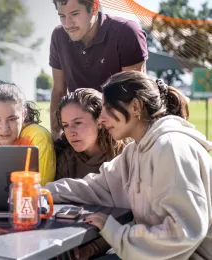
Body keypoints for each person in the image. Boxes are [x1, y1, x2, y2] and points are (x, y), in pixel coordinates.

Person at [45, 71, 212, 260]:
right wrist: (42, 193)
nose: (101, 118)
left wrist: (115, 231)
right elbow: (97, 186)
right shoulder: (135, 151)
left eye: (108, 108)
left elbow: (184, 231)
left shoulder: (171, 147)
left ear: (135, 106)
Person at [49, 0, 148, 139]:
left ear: (94, 7)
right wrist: (56, 138)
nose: (68, 24)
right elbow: (59, 91)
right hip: (80, 130)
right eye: (62, 16)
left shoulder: (126, 31)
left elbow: (133, 95)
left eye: (75, 14)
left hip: (120, 130)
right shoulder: (58, 36)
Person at [54, 88, 129, 180]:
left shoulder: (126, 154)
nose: (70, 132)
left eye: (78, 123)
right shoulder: (65, 160)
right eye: (65, 125)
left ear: (99, 121)